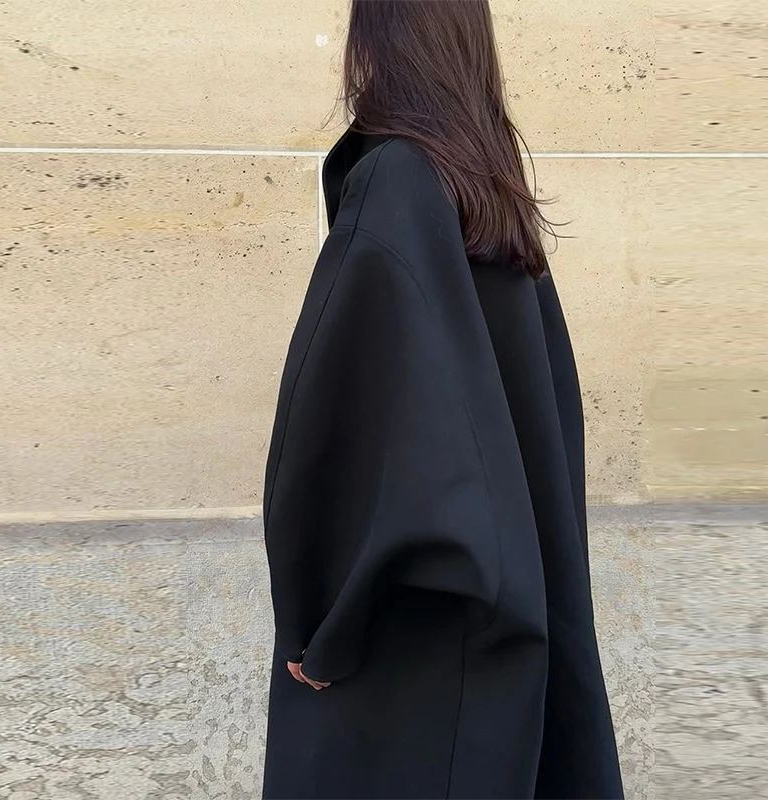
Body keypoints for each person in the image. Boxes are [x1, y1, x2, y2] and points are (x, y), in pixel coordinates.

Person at [261, 1, 623, 798]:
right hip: (509, 632)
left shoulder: (395, 183)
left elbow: (343, 424)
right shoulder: (488, 191)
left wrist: (321, 626)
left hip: (416, 657)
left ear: (378, 40)